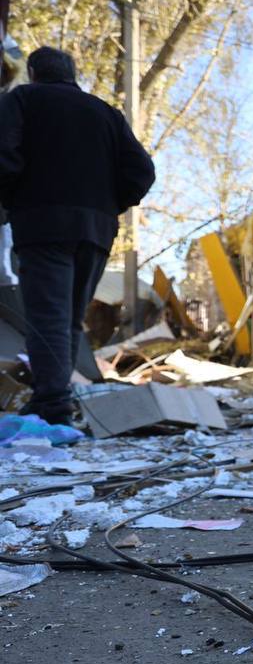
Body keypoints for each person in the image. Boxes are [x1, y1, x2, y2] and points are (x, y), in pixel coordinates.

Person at [0, 47, 155, 424]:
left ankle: (53, 404)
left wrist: (12, 197)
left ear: (33, 71)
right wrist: (106, 204)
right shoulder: (106, 113)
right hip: (96, 230)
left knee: (48, 315)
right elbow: (142, 172)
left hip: (43, 224)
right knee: (68, 318)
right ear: (72, 74)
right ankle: (54, 399)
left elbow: (4, 154)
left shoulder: (21, 99)